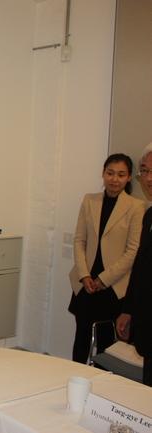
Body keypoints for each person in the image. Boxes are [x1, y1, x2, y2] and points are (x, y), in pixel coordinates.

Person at [68, 153, 145, 364]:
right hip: (85, 282)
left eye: (121, 174)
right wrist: (84, 275)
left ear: (129, 178)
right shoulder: (89, 200)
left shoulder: (136, 206)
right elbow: (79, 240)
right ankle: (75, 374)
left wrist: (104, 279)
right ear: (103, 173)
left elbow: (133, 251)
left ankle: (102, 380)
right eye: (110, 173)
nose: (114, 179)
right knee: (81, 336)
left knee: (106, 343)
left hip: (113, 285)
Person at [117, 143, 152, 386]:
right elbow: (141, 267)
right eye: (145, 171)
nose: (148, 179)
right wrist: (129, 309)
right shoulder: (149, 215)